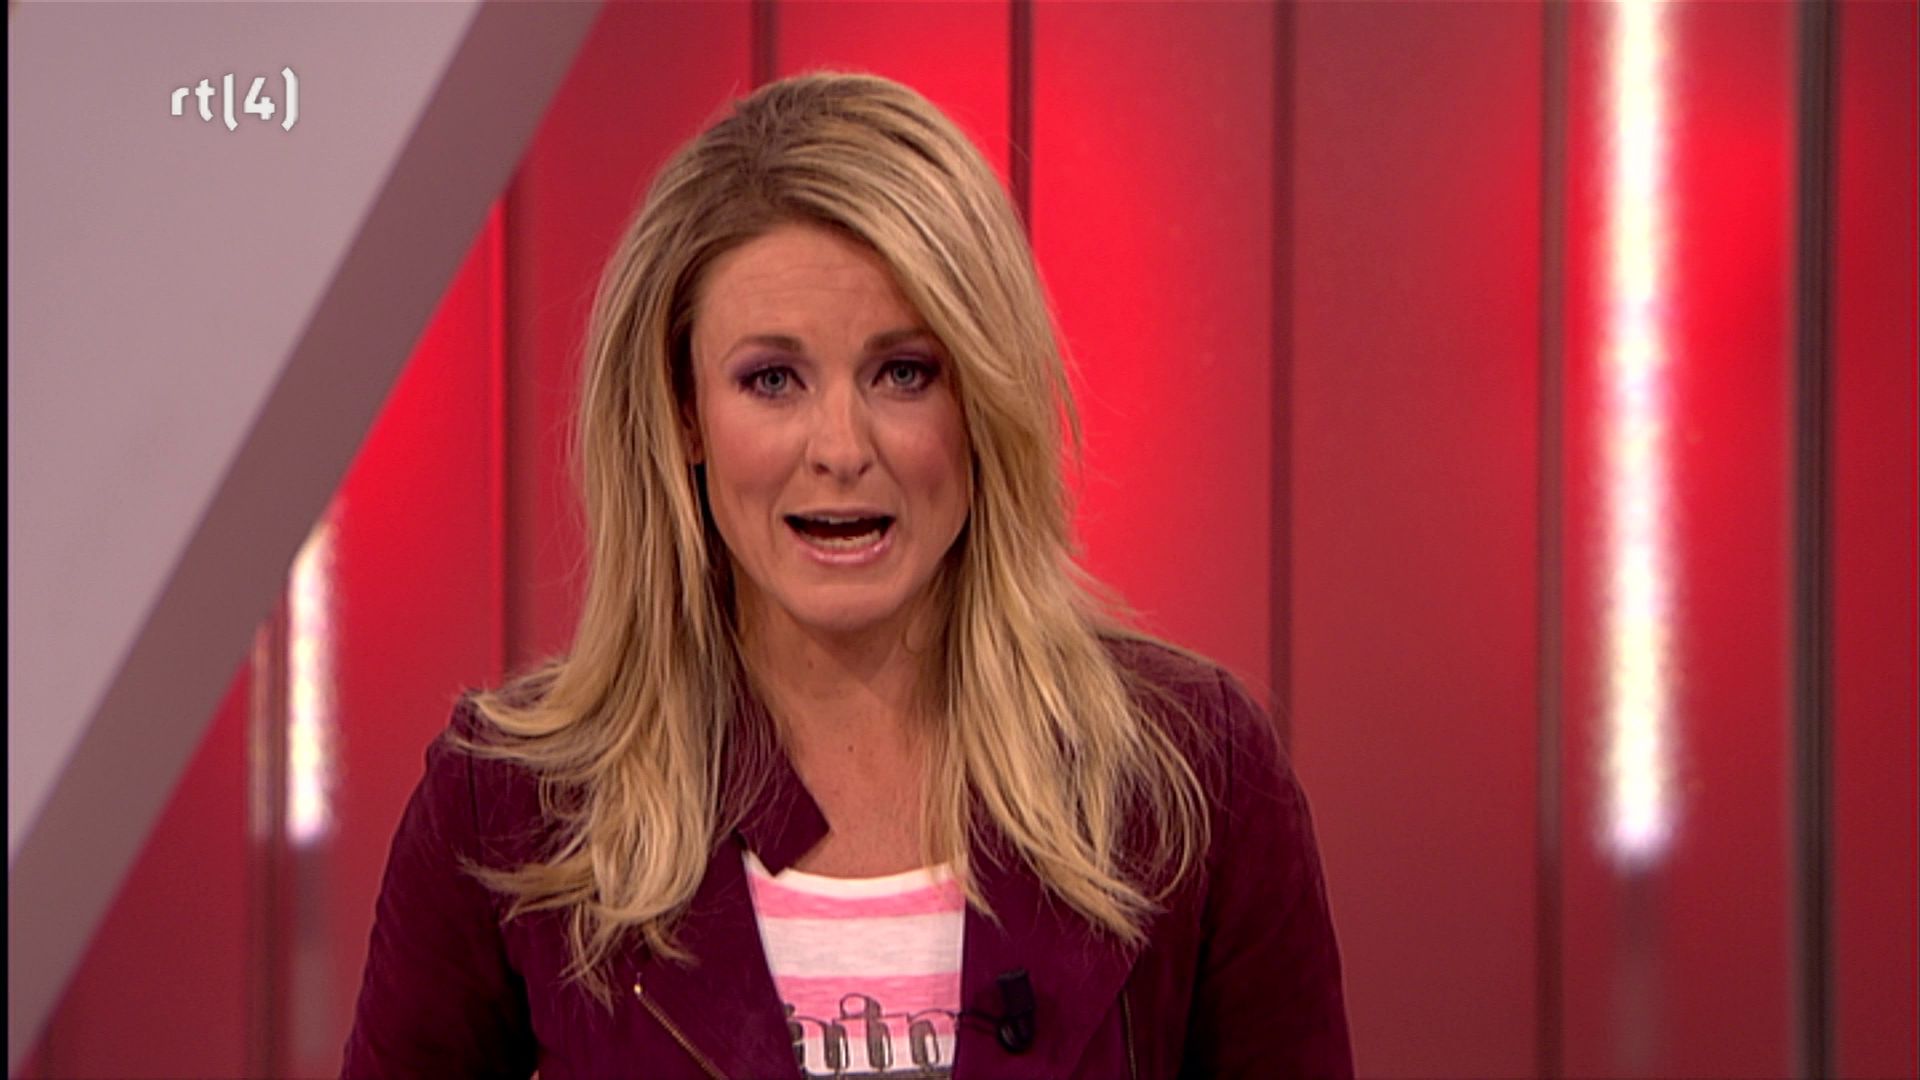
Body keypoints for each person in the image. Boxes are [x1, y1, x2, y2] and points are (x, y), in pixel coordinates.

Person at [342, 71, 1350, 1079]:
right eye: (772, 379)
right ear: (686, 415)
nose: (840, 448)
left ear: (982, 400)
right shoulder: (509, 809)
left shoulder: (1191, 780)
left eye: (903, 373)